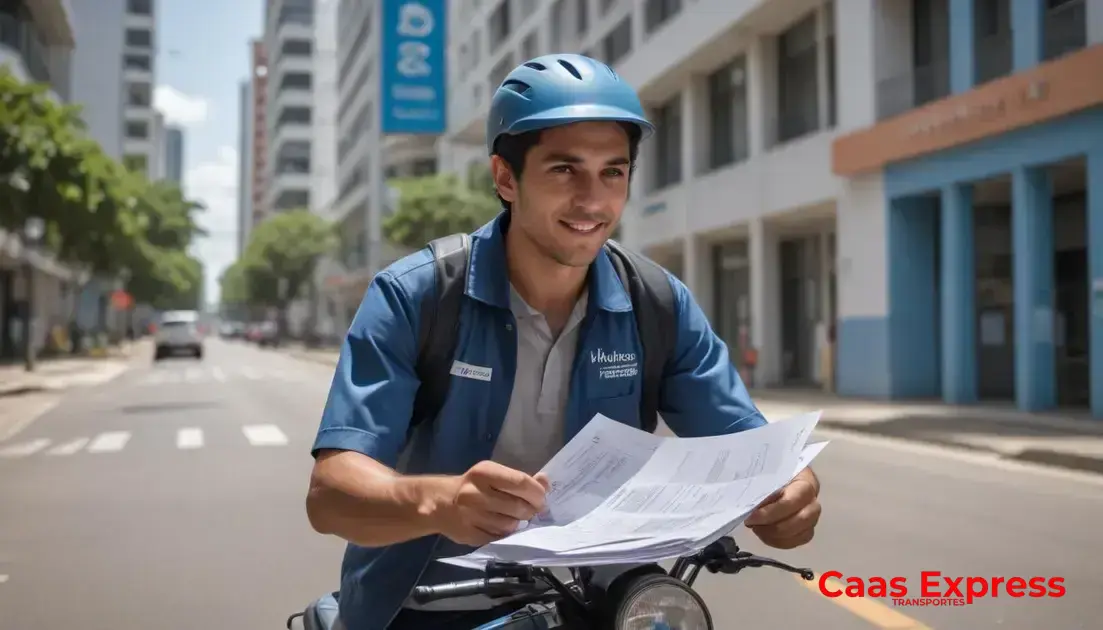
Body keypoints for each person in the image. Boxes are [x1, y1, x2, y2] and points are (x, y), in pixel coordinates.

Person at [305, 53, 822, 630]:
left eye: (613, 172)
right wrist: (443, 502)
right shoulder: (418, 295)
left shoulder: (656, 301)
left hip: (597, 601)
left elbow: (748, 445)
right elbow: (332, 492)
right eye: (564, 170)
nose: (593, 201)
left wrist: (790, 487)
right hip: (423, 604)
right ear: (506, 177)